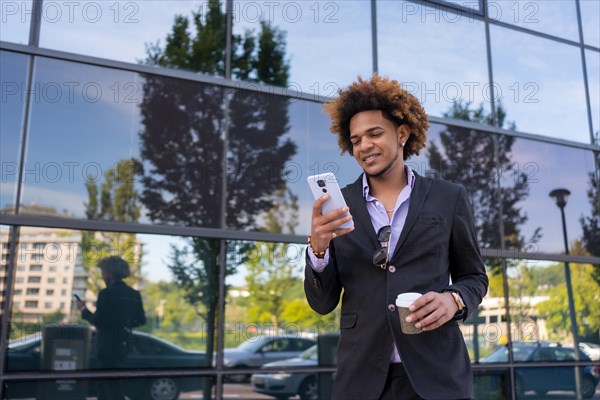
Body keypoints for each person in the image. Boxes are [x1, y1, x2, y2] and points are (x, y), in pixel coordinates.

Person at [304, 75, 489, 399]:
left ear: (402, 134)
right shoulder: (339, 206)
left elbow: (474, 276)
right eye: (356, 139)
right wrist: (318, 249)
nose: (364, 146)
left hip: (437, 376)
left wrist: (453, 299)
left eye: (375, 134)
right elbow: (323, 303)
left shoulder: (449, 198)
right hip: (361, 379)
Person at [76, 256, 146, 400]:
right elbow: (141, 320)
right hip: (124, 345)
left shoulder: (106, 293)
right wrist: (123, 323)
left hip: (107, 345)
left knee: (109, 386)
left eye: (103, 273)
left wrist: (83, 309)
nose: (102, 276)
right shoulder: (134, 294)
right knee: (109, 385)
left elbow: (98, 321)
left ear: (110, 274)